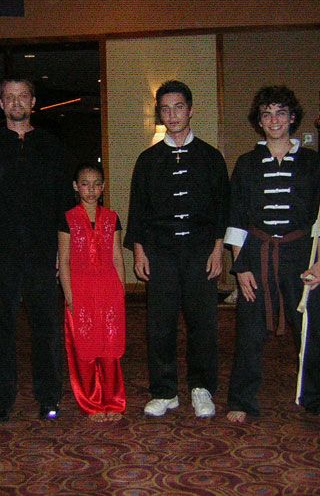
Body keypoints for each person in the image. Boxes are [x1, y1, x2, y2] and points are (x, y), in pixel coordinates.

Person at [0, 76, 74, 423]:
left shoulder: (52, 146)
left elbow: (65, 206)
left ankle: (49, 398)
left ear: (33, 102)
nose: (16, 103)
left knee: (47, 329)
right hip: (0, 252)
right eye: (9, 97)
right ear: (0, 104)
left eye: (22, 96)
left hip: (43, 250)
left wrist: (64, 253)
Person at [224, 85, 320, 424]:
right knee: (249, 331)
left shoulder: (311, 163)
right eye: (267, 114)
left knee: (308, 328)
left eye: (280, 113)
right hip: (256, 255)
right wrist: (241, 267)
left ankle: (319, 399)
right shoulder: (246, 164)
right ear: (259, 121)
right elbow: (236, 219)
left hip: (300, 255)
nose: (274, 120)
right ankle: (242, 399)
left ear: (292, 118)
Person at [125, 80, 230, 418]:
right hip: (161, 251)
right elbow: (138, 209)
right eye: (165, 109)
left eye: (178, 107)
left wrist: (218, 250)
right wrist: (140, 251)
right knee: (160, 324)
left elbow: (222, 209)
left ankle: (202, 388)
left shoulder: (211, 157)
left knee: (203, 322)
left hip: (201, 250)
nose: (172, 115)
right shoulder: (148, 160)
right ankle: (164, 391)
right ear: (160, 114)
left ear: (190, 110)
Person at [58, 163, 126, 423]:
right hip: (81, 291)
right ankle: (90, 402)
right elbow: (64, 261)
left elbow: (117, 258)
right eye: (85, 184)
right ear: (76, 186)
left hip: (108, 290)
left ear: (103, 187)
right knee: (84, 350)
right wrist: (69, 296)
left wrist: (120, 292)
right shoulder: (68, 219)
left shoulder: (111, 218)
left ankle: (113, 401)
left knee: (110, 349)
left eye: (97, 184)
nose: (91, 189)